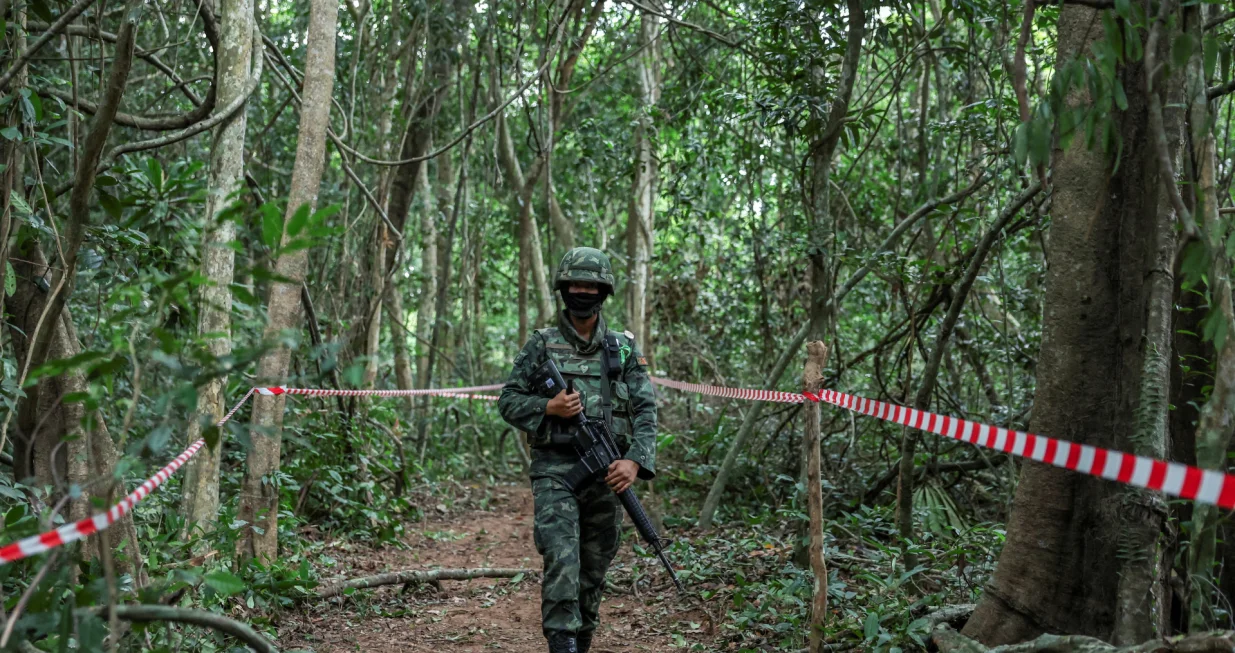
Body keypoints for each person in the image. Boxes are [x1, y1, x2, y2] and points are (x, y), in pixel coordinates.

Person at [498, 247, 658, 653]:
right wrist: (546, 407)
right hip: (556, 471)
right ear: (563, 289)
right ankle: (562, 643)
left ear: (603, 292)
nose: (582, 292)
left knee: (593, 571)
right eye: (575, 285)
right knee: (562, 560)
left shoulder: (622, 348)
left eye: (590, 286)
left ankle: (580, 642)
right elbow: (508, 401)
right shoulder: (542, 345)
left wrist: (635, 461)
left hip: (607, 474)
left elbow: (645, 409)